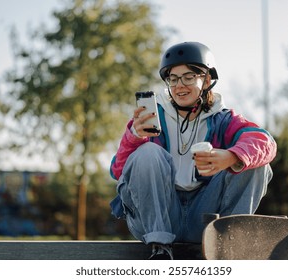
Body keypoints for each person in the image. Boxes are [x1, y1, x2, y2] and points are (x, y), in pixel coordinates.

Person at [109, 41, 277, 260]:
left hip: (206, 216)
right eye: (173, 79)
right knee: (147, 152)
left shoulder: (223, 119)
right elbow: (118, 171)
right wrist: (133, 138)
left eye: (189, 77)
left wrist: (231, 156)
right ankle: (160, 250)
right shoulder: (151, 119)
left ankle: (228, 246)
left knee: (253, 162)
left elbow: (266, 142)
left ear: (206, 80)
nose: (180, 85)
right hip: (160, 218)